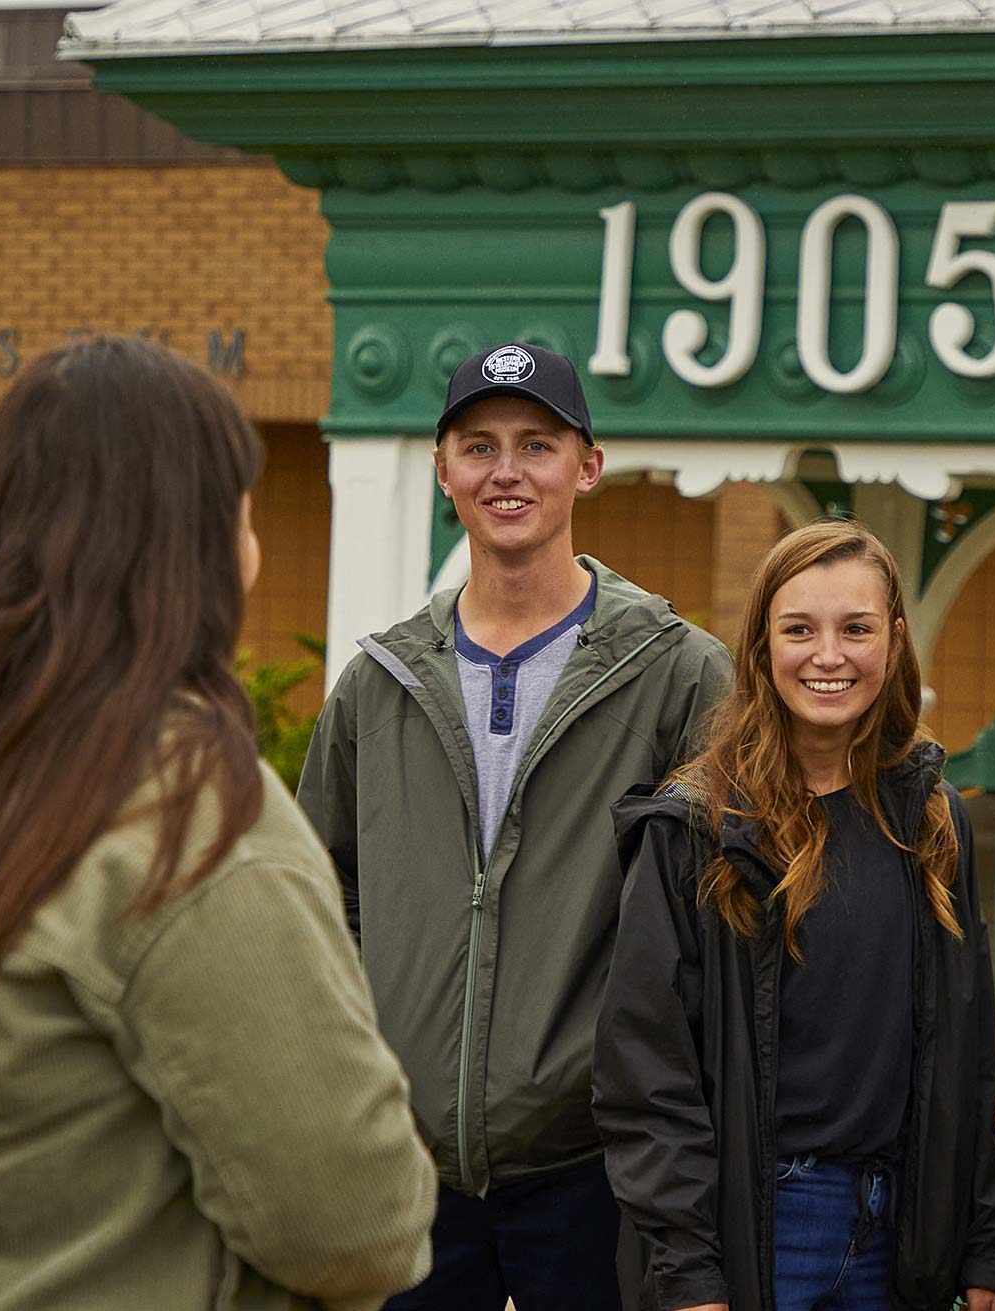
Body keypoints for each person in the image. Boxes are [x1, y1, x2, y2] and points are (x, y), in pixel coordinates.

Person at [0, 337, 436, 1310]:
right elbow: (354, 1222)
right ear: (196, 547)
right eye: (244, 513)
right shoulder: (185, 807)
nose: (255, 549)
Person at [296, 341, 731, 1311]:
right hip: (407, 1171)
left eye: (537, 444)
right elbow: (319, 902)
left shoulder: (678, 675)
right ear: (443, 469)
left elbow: (722, 919)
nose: (507, 471)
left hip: (598, 1165)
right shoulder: (376, 685)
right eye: (479, 446)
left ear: (588, 466)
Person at [594, 519, 995, 1311]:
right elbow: (647, 1076)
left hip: (901, 1232)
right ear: (761, 647)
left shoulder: (932, 818)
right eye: (799, 630)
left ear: (894, 640)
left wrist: (986, 1246)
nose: (829, 655)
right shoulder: (695, 828)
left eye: (856, 629)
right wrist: (690, 1276)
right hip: (758, 1228)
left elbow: (968, 1056)